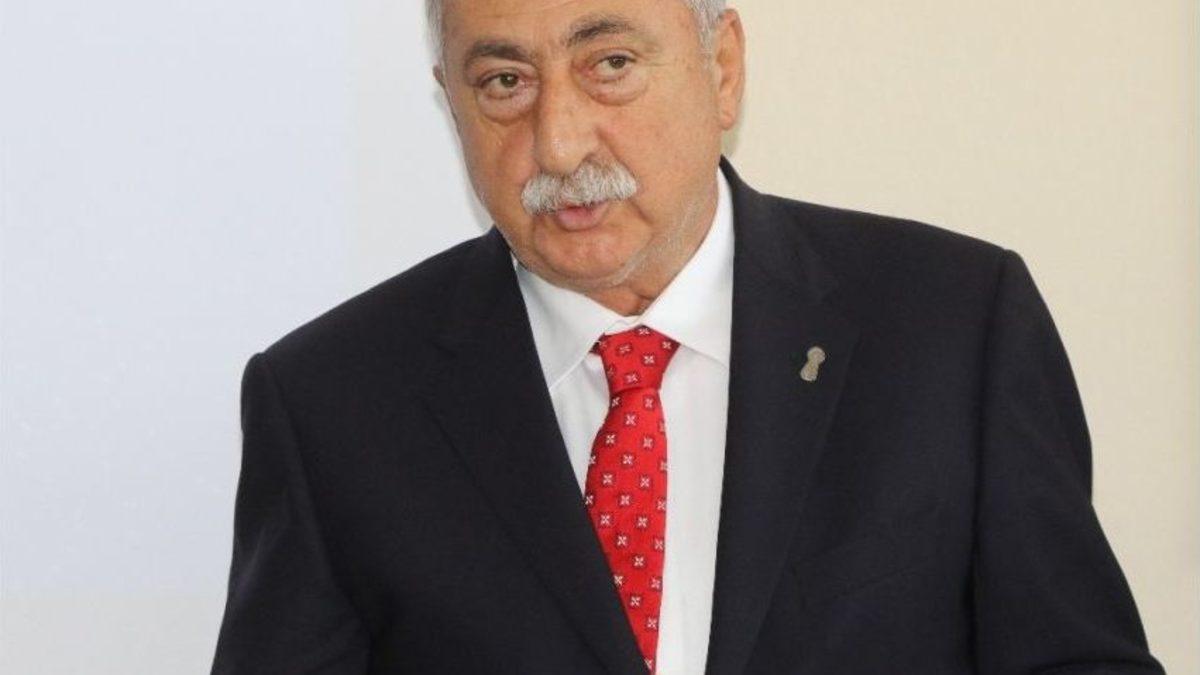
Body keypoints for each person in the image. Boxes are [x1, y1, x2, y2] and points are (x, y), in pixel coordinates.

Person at [211, 1, 1165, 673]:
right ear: (450, 100)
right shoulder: (332, 403)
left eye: (610, 65)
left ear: (722, 69)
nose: (559, 142)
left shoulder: (953, 327)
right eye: (504, 82)